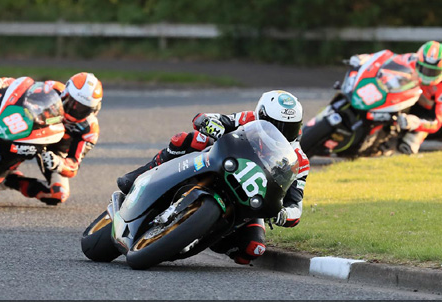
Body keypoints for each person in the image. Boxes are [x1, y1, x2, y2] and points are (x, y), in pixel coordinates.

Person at [117, 90, 310, 265]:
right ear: (260, 115)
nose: (280, 132)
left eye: (289, 127)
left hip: (247, 200)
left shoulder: (298, 160)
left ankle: (205, 233)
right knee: (189, 138)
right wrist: (208, 123)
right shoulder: (248, 118)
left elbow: (295, 205)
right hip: (218, 163)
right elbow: (212, 119)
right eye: (274, 125)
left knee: (253, 248)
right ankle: (140, 174)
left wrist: (284, 214)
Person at [0, 73, 103, 205]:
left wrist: (59, 163)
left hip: (52, 152)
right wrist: (2, 82)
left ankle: (8, 180)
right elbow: (23, 87)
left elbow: (74, 164)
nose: (74, 109)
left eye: (82, 109)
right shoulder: (54, 88)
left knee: (58, 193)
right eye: (72, 102)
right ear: (66, 93)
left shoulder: (89, 129)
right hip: (32, 127)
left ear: (93, 110)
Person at [395, 41, 442, 154]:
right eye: (424, 69)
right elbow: (386, 61)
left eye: (433, 71)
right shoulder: (410, 60)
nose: (427, 75)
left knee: (408, 146)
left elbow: (436, 122)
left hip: (422, 113)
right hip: (399, 99)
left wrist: (416, 123)